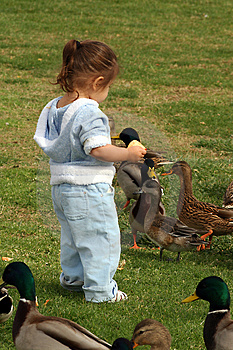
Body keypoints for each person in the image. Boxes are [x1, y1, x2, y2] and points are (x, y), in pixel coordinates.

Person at [34, 39, 146, 303]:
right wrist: (127, 154)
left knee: (73, 236)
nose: (107, 91)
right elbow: (97, 149)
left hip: (61, 188)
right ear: (97, 83)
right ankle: (99, 291)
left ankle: (74, 279)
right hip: (88, 189)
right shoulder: (90, 113)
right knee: (101, 238)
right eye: (108, 86)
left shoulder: (54, 107)